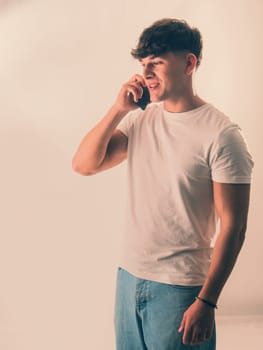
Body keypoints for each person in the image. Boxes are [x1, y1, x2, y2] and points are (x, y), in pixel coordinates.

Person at [72, 18, 254, 350]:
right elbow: (84, 165)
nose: (146, 73)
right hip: (128, 278)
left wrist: (208, 301)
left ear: (189, 63)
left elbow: (234, 225)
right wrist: (117, 109)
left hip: (180, 289)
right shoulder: (141, 119)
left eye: (156, 62)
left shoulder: (222, 135)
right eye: (143, 64)